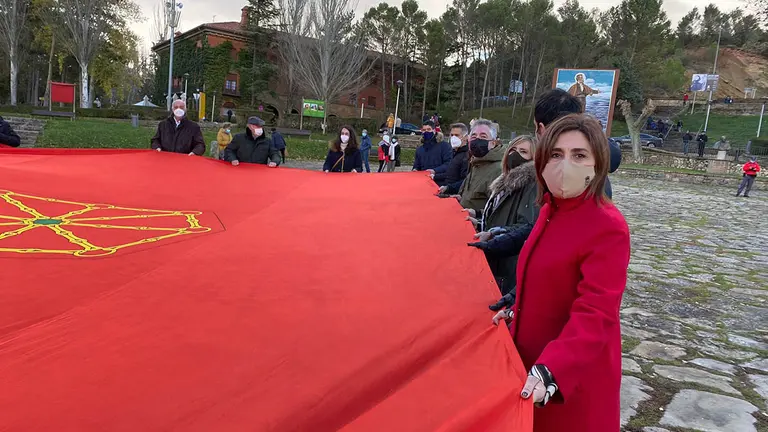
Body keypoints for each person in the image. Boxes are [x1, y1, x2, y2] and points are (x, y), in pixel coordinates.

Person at [493, 113, 630, 432]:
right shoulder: (549, 210)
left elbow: (596, 311)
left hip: (569, 379)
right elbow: (546, 280)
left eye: (579, 155)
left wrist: (553, 368)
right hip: (531, 366)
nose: (565, 164)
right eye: (556, 154)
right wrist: (516, 310)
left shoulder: (607, 226)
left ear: (597, 164)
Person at [468, 135, 538, 296]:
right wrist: (479, 223)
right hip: (495, 254)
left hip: (508, 262)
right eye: (513, 149)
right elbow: (501, 215)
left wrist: (493, 234)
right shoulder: (504, 181)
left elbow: (526, 225)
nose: (515, 154)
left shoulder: (531, 185)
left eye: (523, 151)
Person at [456, 119, 506, 213]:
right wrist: (460, 198)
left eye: (483, 136)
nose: (477, 139)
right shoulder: (476, 162)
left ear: (493, 143)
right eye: (474, 136)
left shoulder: (498, 170)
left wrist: (477, 214)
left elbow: (500, 209)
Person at [435, 123, 470, 190]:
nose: (453, 137)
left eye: (457, 135)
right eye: (452, 135)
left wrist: (448, 188)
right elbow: (450, 174)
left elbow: (465, 181)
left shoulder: (467, 156)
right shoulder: (454, 153)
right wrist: (434, 176)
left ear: (465, 137)